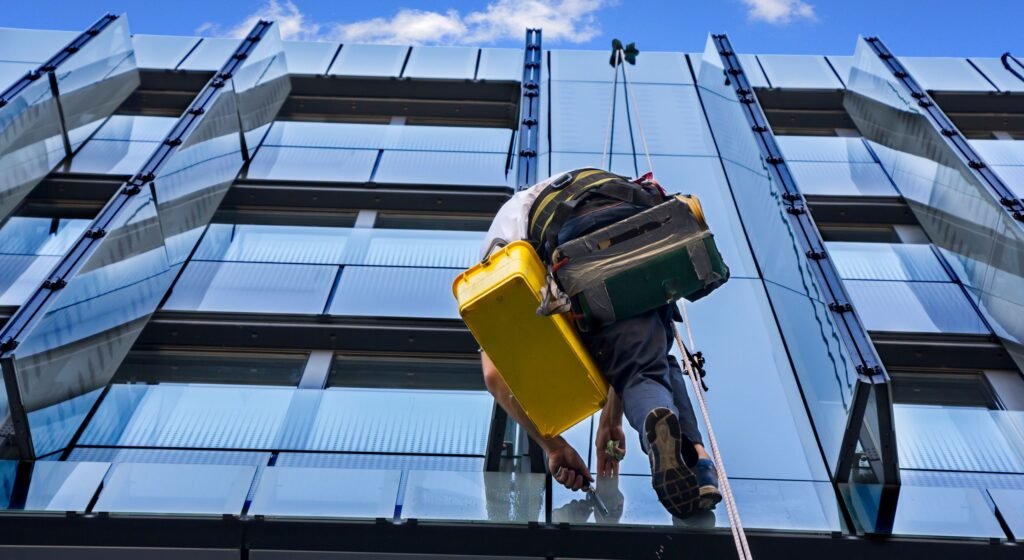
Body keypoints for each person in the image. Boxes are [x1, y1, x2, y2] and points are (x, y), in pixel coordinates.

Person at [479, 168, 722, 519]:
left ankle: (664, 429)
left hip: (580, 247)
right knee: (651, 360)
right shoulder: (578, 183)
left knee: (639, 369)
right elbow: (622, 352)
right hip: (643, 229)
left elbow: (494, 376)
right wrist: (611, 425)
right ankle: (697, 462)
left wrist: (554, 447)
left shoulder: (497, 253)